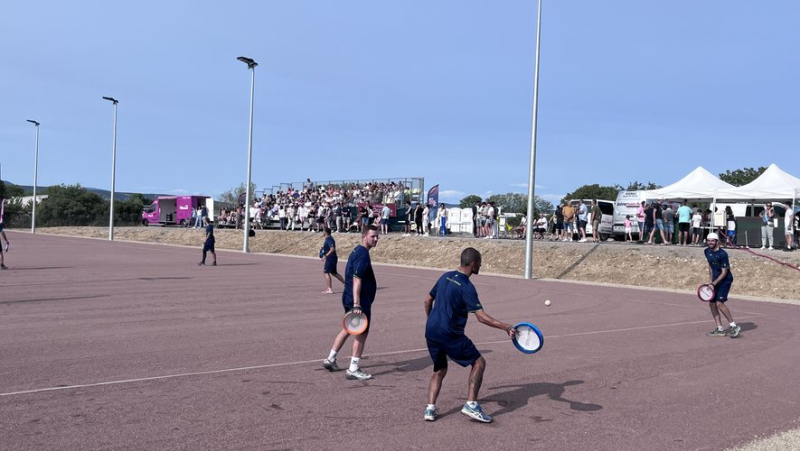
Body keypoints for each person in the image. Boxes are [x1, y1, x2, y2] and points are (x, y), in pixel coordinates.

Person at [423, 247, 517, 423]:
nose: (480, 266)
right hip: (449, 333)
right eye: (479, 263)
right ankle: (471, 405)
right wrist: (506, 327)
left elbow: (428, 300)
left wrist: (431, 321)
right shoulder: (467, 286)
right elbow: (481, 317)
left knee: (440, 369)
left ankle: (430, 408)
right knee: (479, 362)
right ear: (473, 264)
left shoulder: (445, 276)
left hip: (431, 331)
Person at [322, 225, 380, 381]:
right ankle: (353, 368)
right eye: (372, 236)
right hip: (359, 300)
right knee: (362, 333)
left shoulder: (357, 250)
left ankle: (331, 358)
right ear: (364, 236)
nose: (375, 239)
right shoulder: (363, 254)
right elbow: (357, 278)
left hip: (349, 297)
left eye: (377, 236)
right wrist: (357, 303)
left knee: (349, 328)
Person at [703, 233, 741, 338]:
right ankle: (720, 329)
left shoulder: (723, 254)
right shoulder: (706, 251)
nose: (710, 242)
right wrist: (710, 281)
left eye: (712, 240)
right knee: (712, 304)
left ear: (717, 242)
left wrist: (713, 283)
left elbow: (724, 272)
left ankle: (733, 326)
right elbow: (710, 267)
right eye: (708, 240)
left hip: (725, 281)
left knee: (719, 303)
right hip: (715, 280)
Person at [321, 228, 345, 294]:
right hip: (332, 258)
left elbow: (332, 249)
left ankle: (330, 289)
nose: (322, 232)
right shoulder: (328, 239)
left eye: (323, 231)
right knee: (334, 273)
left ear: (325, 232)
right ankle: (347, 284)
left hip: (331, 258)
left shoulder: (329, 239)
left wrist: (326, 255)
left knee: (326, 272)